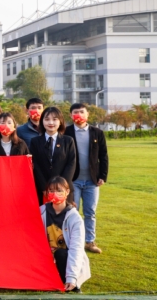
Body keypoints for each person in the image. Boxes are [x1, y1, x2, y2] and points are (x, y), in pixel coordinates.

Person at [65, 103, 109, 255]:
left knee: (90, 212)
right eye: (75, 112)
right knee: (72, 211)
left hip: (92, 180)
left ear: (87, 114)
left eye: (82, 112)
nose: (79, 115)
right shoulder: (66, 132)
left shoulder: (97, 133)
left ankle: (90, 242)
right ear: (71, 115)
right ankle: (73, 242)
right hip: (73, 180)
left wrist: (102, 175)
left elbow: (103, 156)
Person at [40, 176, 91, 292]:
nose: (55, 194)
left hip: (65, 258)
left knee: (61, 254)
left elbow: (76, 248)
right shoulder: (41, 211)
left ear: (67, 192)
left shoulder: (75, 218)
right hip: (47, 256)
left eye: (59, 190)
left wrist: (72, 277)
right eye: (51, 190)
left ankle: (70, 283)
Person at [30, 107, 77, 205]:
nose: (51, 122)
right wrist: (44, 188)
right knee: (44, 214)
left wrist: (61, 187)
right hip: (42, 190)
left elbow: (71, 164)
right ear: (42, 121)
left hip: (64, 189)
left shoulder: (68, 141)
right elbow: (35, 165)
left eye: (54, 119)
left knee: (64, 214)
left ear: (60, 121)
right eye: (47, 119)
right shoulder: (35, 141)